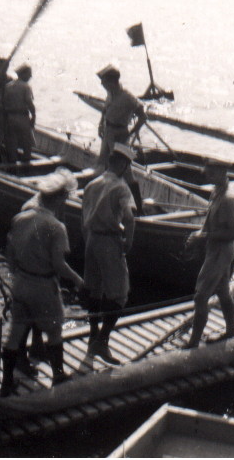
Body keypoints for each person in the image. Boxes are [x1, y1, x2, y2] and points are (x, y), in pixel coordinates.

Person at [0, 168, 84, 397]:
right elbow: (58, 264)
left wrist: (16, 275)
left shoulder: (21, 217)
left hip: (21, 282)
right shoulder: (56, 227)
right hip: (43, 286)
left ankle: (6, 383)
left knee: (15, 333)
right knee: (55, 330)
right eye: (65, 197)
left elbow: (10, 253)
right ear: (58, 198)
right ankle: (58, 375)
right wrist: (77, 279)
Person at [81, 143, 136, 365]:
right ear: (123, 165)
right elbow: (130, 219)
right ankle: (101, 341)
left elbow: (83, 217)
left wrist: (88, 240)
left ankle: (93, 335)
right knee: (120, 293)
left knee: (94, 290)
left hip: (92, 238)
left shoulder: (92, 184)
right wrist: (128, 241)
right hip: (109, 240)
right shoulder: (121, 187)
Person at [185, 158, 234, 348]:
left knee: (201, 296)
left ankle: (193, 342)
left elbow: (233, 232)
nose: (206, 175)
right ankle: (231, 330)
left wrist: (202, 237)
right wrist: (200, 235)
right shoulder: (217, 190)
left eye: (210, 172)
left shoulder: (229, 198)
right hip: (215, 248)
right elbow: (210, 221)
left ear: (221, 172)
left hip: (221, 251)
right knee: (224, 291)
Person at [95, 64, 146, 212]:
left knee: (126, 171)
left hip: (120, 135)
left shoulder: (128, 97)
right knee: (103, 165)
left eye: (104, 81)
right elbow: (105, 110)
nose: (102, 84)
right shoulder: (110, 93)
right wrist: (100, 125)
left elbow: (143, 116)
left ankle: (139, 208)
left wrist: (132, 133)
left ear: (112, 81)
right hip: (108, 132)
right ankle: (104, 199)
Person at [3, 63, 36, 163]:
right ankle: (26, 164)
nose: (30, 76)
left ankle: (12, 166)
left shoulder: (8, 86)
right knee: (27, 143)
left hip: (10, 118)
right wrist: (34, 116)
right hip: (22, 118)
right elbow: (29, 102)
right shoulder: (26, 87)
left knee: (11, 143)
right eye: (29, 74)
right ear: (23, 74)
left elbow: (4, 103)